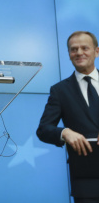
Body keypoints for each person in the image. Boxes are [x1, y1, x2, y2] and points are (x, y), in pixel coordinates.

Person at [37, 31, 99, 203]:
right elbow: (43, 130)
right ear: (69, 55)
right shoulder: (59, 91)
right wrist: (64, 132)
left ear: (96, 51)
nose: (79, 52)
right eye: (74, 49)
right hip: (88, 182)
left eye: (85, 48)